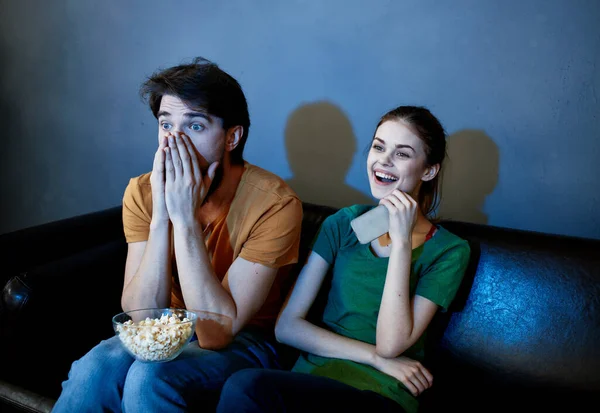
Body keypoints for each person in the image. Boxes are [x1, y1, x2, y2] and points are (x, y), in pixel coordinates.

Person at [52, 57, 303, 412]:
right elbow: (141, 317)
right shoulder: (142, 191)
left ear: (232, 136)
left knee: (150, 377)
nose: (174, 140)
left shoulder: (275, 204)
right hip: (167, 326)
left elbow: (216, 334)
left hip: (248, 340)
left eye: (195, 126)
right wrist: (162, 218)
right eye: (165, 124)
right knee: (93, 369)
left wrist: (184, 220)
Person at [215, 106, 471, 413]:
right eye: (378, 147)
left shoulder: (449, 250)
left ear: (428, 170)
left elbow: (391, 345)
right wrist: (374, 356)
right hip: (309, 381)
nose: (384, 160)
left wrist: (402, 243)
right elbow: (287, 327)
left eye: (402, 154)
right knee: (246, 387)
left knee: (246, 388)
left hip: (379, 394)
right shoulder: (344, 224)